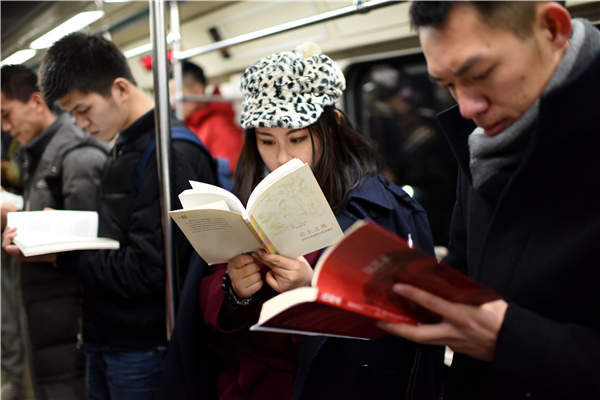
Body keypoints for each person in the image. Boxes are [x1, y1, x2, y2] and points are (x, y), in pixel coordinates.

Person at [159, 43, 436, 400]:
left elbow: (400, 324)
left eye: (298, 138)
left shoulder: (380, 207)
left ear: (331, 127)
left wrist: (317, 288)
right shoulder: (247, 199)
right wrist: (235, 292)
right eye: (266, 141)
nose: (281, 157)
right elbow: (206, 319)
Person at [378, 2, 600, 399]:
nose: (466, 108)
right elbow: (465, 266)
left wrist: (508, 338)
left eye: (479, 74)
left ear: (552, 28)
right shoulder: (484, 147)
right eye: (447, 84)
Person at [33, 32, 218, 400]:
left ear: (120, 88)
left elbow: (149, 270)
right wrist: (60, 227)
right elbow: (122, 233)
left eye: (83, 110)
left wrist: (61, 256)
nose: (80, 124)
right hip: (109, 336)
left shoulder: (171, 154)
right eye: (72, 115)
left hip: (144, 346)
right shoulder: (127, 144)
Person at [1, 64, 108, 400]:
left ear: (36, 102)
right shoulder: (38, 153)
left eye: (6, 115)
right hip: (48, 318)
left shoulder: (76, 157)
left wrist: (30, 230)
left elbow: (92, 250)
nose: (5, 127)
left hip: (70, 323)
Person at [170, 60, 244, 174]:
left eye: (177, 96)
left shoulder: (219, 125)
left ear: (197, 91)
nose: (173, 104)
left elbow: (230, 179)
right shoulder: (189, 124)